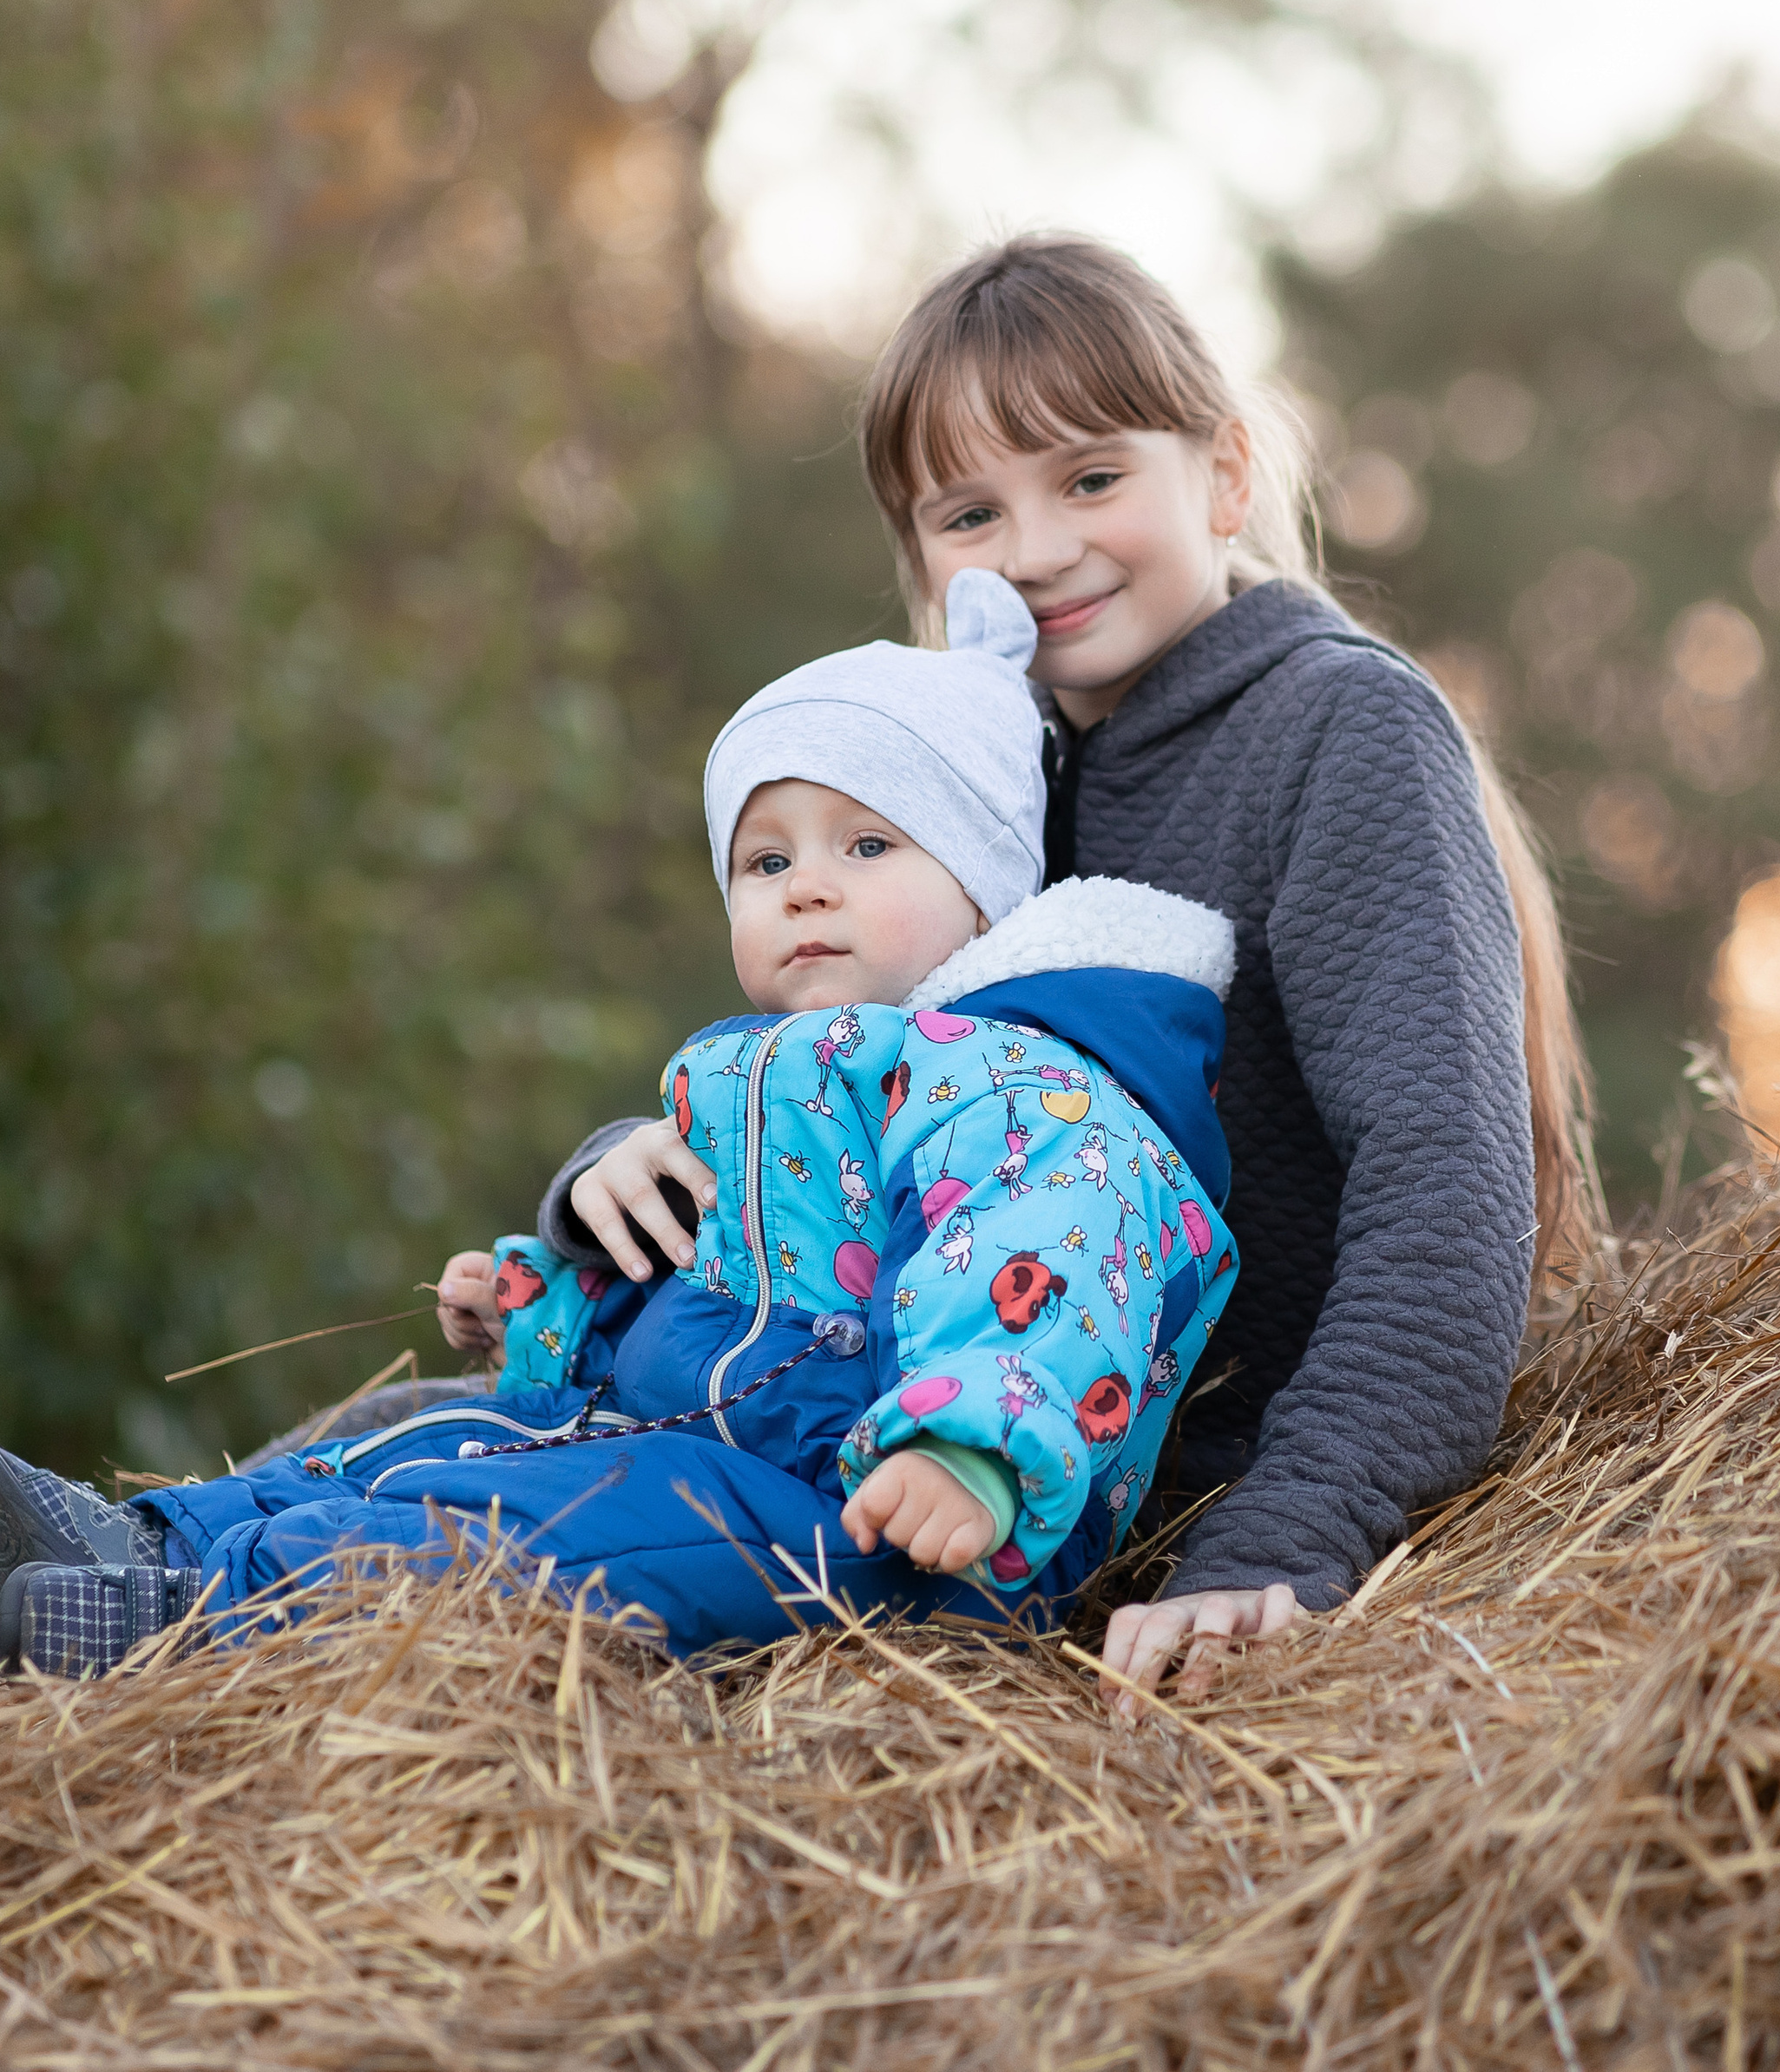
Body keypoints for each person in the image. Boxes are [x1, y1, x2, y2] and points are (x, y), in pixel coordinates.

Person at [512, 234, 1593, 1711]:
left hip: (1144, 1485)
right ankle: (136, 1568)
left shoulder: (1341, 734)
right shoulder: (980, 786)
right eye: (971, 511)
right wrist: (626, 1176)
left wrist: (1284, 1535)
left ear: (1222, 475)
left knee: (542, 1540)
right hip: (909, 1433)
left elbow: (1443, 1189)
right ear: (921, 563)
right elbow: (882, 1114)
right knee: (452, 1449)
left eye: (1090, 479)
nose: (1033, 548)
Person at [0, 574, 1238, 1676]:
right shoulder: (773, 1081)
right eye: (764, 861)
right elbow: (725, 1300)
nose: (806, 882)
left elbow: (1059, 1248)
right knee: (466, 1441)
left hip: (890, 1529)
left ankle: (185, 1618)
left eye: (867, 844)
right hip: (731, 1456)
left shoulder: (1029, 1088)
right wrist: (557, 1304)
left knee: (528, 1533)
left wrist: (969, 1449)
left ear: (987, 886)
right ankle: (156, 1535)